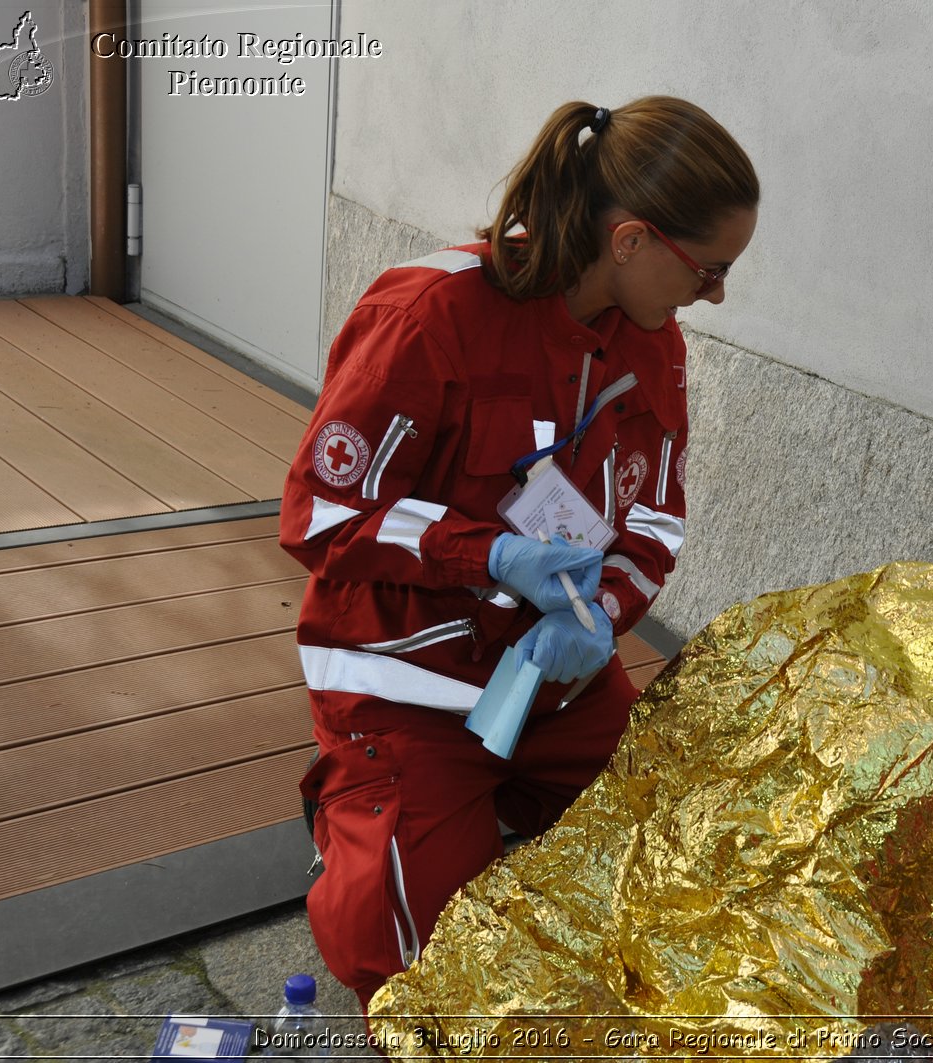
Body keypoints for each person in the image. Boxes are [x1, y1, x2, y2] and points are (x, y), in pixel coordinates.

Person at [279, 95, 759, 1004]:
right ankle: (359, 802)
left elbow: (655, 521)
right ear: (632, 242)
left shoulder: (652, 348)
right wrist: (486, 554)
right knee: (414, 966)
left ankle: (460, 805)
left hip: (552, 677)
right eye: (709, 271)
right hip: (408, 680)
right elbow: (317, 514)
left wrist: (603, 615)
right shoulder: (429, 315)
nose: (717, 296)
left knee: (683, 864)